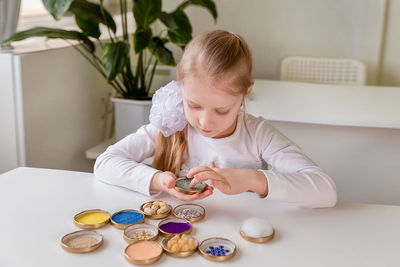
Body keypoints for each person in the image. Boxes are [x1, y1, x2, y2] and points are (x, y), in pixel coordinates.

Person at [94, 30, 337, 208]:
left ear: (245, 94)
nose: (204, 122)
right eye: (194, 105)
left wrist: (251, 180)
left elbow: (325, 190)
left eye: (221, 110)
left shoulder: (258, 134)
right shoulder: (170, 124)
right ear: (181, 89)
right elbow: (105, 163)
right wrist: (157, 179)